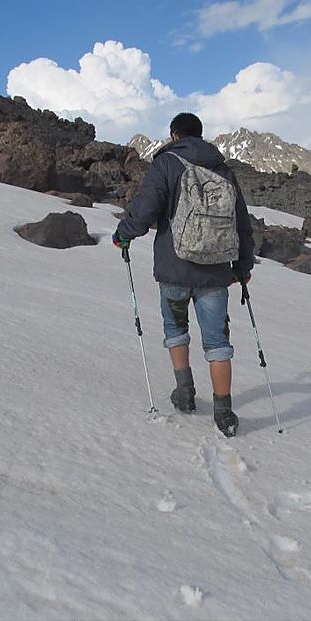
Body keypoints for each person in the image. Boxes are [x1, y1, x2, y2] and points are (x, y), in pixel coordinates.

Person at [112, 112, 255, 437]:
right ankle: (224, 412)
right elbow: (241, 222)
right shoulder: (222, 169)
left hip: (174, 268)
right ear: (200, 135)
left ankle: (185, 392)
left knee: (176, 329)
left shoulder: (166, 163)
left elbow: (146, 207)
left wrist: (124, 234)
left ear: (174, 134)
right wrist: (243, 267)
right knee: (218, 342)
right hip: (215, 273)